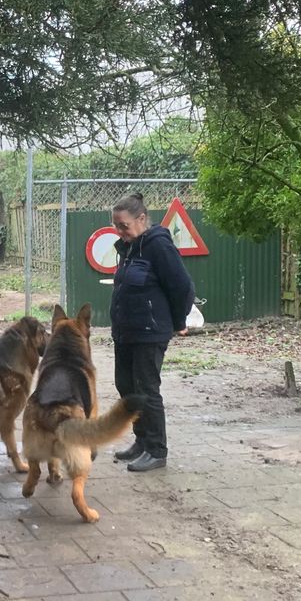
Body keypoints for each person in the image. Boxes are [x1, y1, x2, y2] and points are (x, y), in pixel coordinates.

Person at [108, 192, 194, 472]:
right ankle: (142, 441)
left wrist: (179, 321)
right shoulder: (129, 248)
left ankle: (157, 450)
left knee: (146, 390)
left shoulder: (158, 246)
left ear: (141, 219)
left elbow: (182, 287)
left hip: (150, 331)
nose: (120, 231)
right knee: (126, 387)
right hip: (126, 333)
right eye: (116, 226)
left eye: (124, 225)